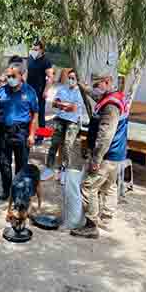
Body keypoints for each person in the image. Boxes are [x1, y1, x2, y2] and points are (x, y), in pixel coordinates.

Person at [71, 71, 129, 239]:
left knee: (88, 186)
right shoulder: (115, 96)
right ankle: (107, 219)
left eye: (97, 85)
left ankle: (91, 225)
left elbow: (105, 136)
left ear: (108, 81)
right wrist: (84, 87)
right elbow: (97, 96)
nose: (95, 88)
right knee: (110, 186)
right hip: (117, 154)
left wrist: (96, 159)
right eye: (94, 85)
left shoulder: (110, 106)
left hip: (106, 156)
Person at [0, 61, 39, 201]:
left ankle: (18, 193)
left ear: (21, 75)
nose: (10, 79)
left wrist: (32, 135)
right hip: (4, 132)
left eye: (13, 76)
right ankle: (6, 190)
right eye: (8, 76)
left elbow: (35, 115)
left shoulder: (30, 92)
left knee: (21, 165)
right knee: (4, 163)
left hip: (21, 132)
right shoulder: (1, 91)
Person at [42, 69, 85, 183]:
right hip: (60, 119)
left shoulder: (80, 92)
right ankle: (49, 168)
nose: (70, 80)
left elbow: (73, 108)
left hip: (73, 121)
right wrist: (65, 105)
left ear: (77, 80)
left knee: (67, 145)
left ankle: (64, 170)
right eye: (69, 78)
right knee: (54, 143)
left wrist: (62, 105)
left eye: (73, 78)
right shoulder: (62, 89)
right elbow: (54, 103)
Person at [26, 40, 55, 143]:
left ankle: (40, 136)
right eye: (33, 49)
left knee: (40, 114)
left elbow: (50, 77)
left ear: (41, 50)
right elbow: (27, 72)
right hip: (29, 90)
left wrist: (46, 91)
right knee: (28, 112)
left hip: (39, 91)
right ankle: (29, 133)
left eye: (36, 49)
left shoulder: (45, 61)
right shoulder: (30, 58)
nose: (34, 51)